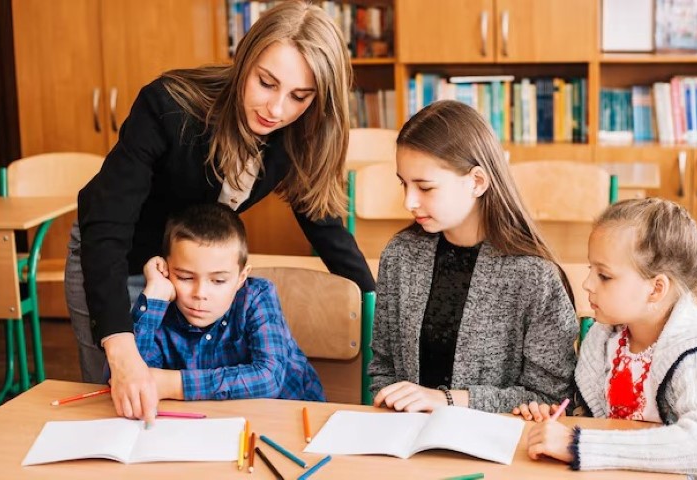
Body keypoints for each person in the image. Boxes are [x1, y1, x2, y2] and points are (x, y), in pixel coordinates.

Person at [65, 0, 371, 424]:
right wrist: (120, 348)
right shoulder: (168, 106)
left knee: (191, 408)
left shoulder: (299, 131)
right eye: (266, 83)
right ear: (244, 59)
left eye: (300, 96)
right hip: (119, 257)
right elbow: (107, 225)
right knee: (122, 402)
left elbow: (323, 223)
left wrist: (373, 299)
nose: (277, 110)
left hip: (196, 270)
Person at [515, 198, 697, 479]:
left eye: (604, 275)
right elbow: (603, 422)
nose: (587, 283)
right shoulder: (604, 340)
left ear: (656, 289)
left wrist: (578, 444)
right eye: (591, 269)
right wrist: (560, 418)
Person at [368, 100, 578, 414]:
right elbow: (383, 367)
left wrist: (446, 400)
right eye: (404, 184)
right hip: (409, 445)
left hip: (498, 450)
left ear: (477, 182)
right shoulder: (400, 256)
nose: (408, 201)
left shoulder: (534, 274)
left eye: (425, 187)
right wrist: (390, 402)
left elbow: (550, 398)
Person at [132, 203, 324, 402]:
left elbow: (268, 378)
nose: (200, 294)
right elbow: (130, 378)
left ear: (241, 277)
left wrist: (175, 385)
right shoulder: (160, 304)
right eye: (185, 277)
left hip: (289, 416)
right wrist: (154, 294)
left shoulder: (257, 296)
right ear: (166, 268)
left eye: (218, 281)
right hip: (208, 422)